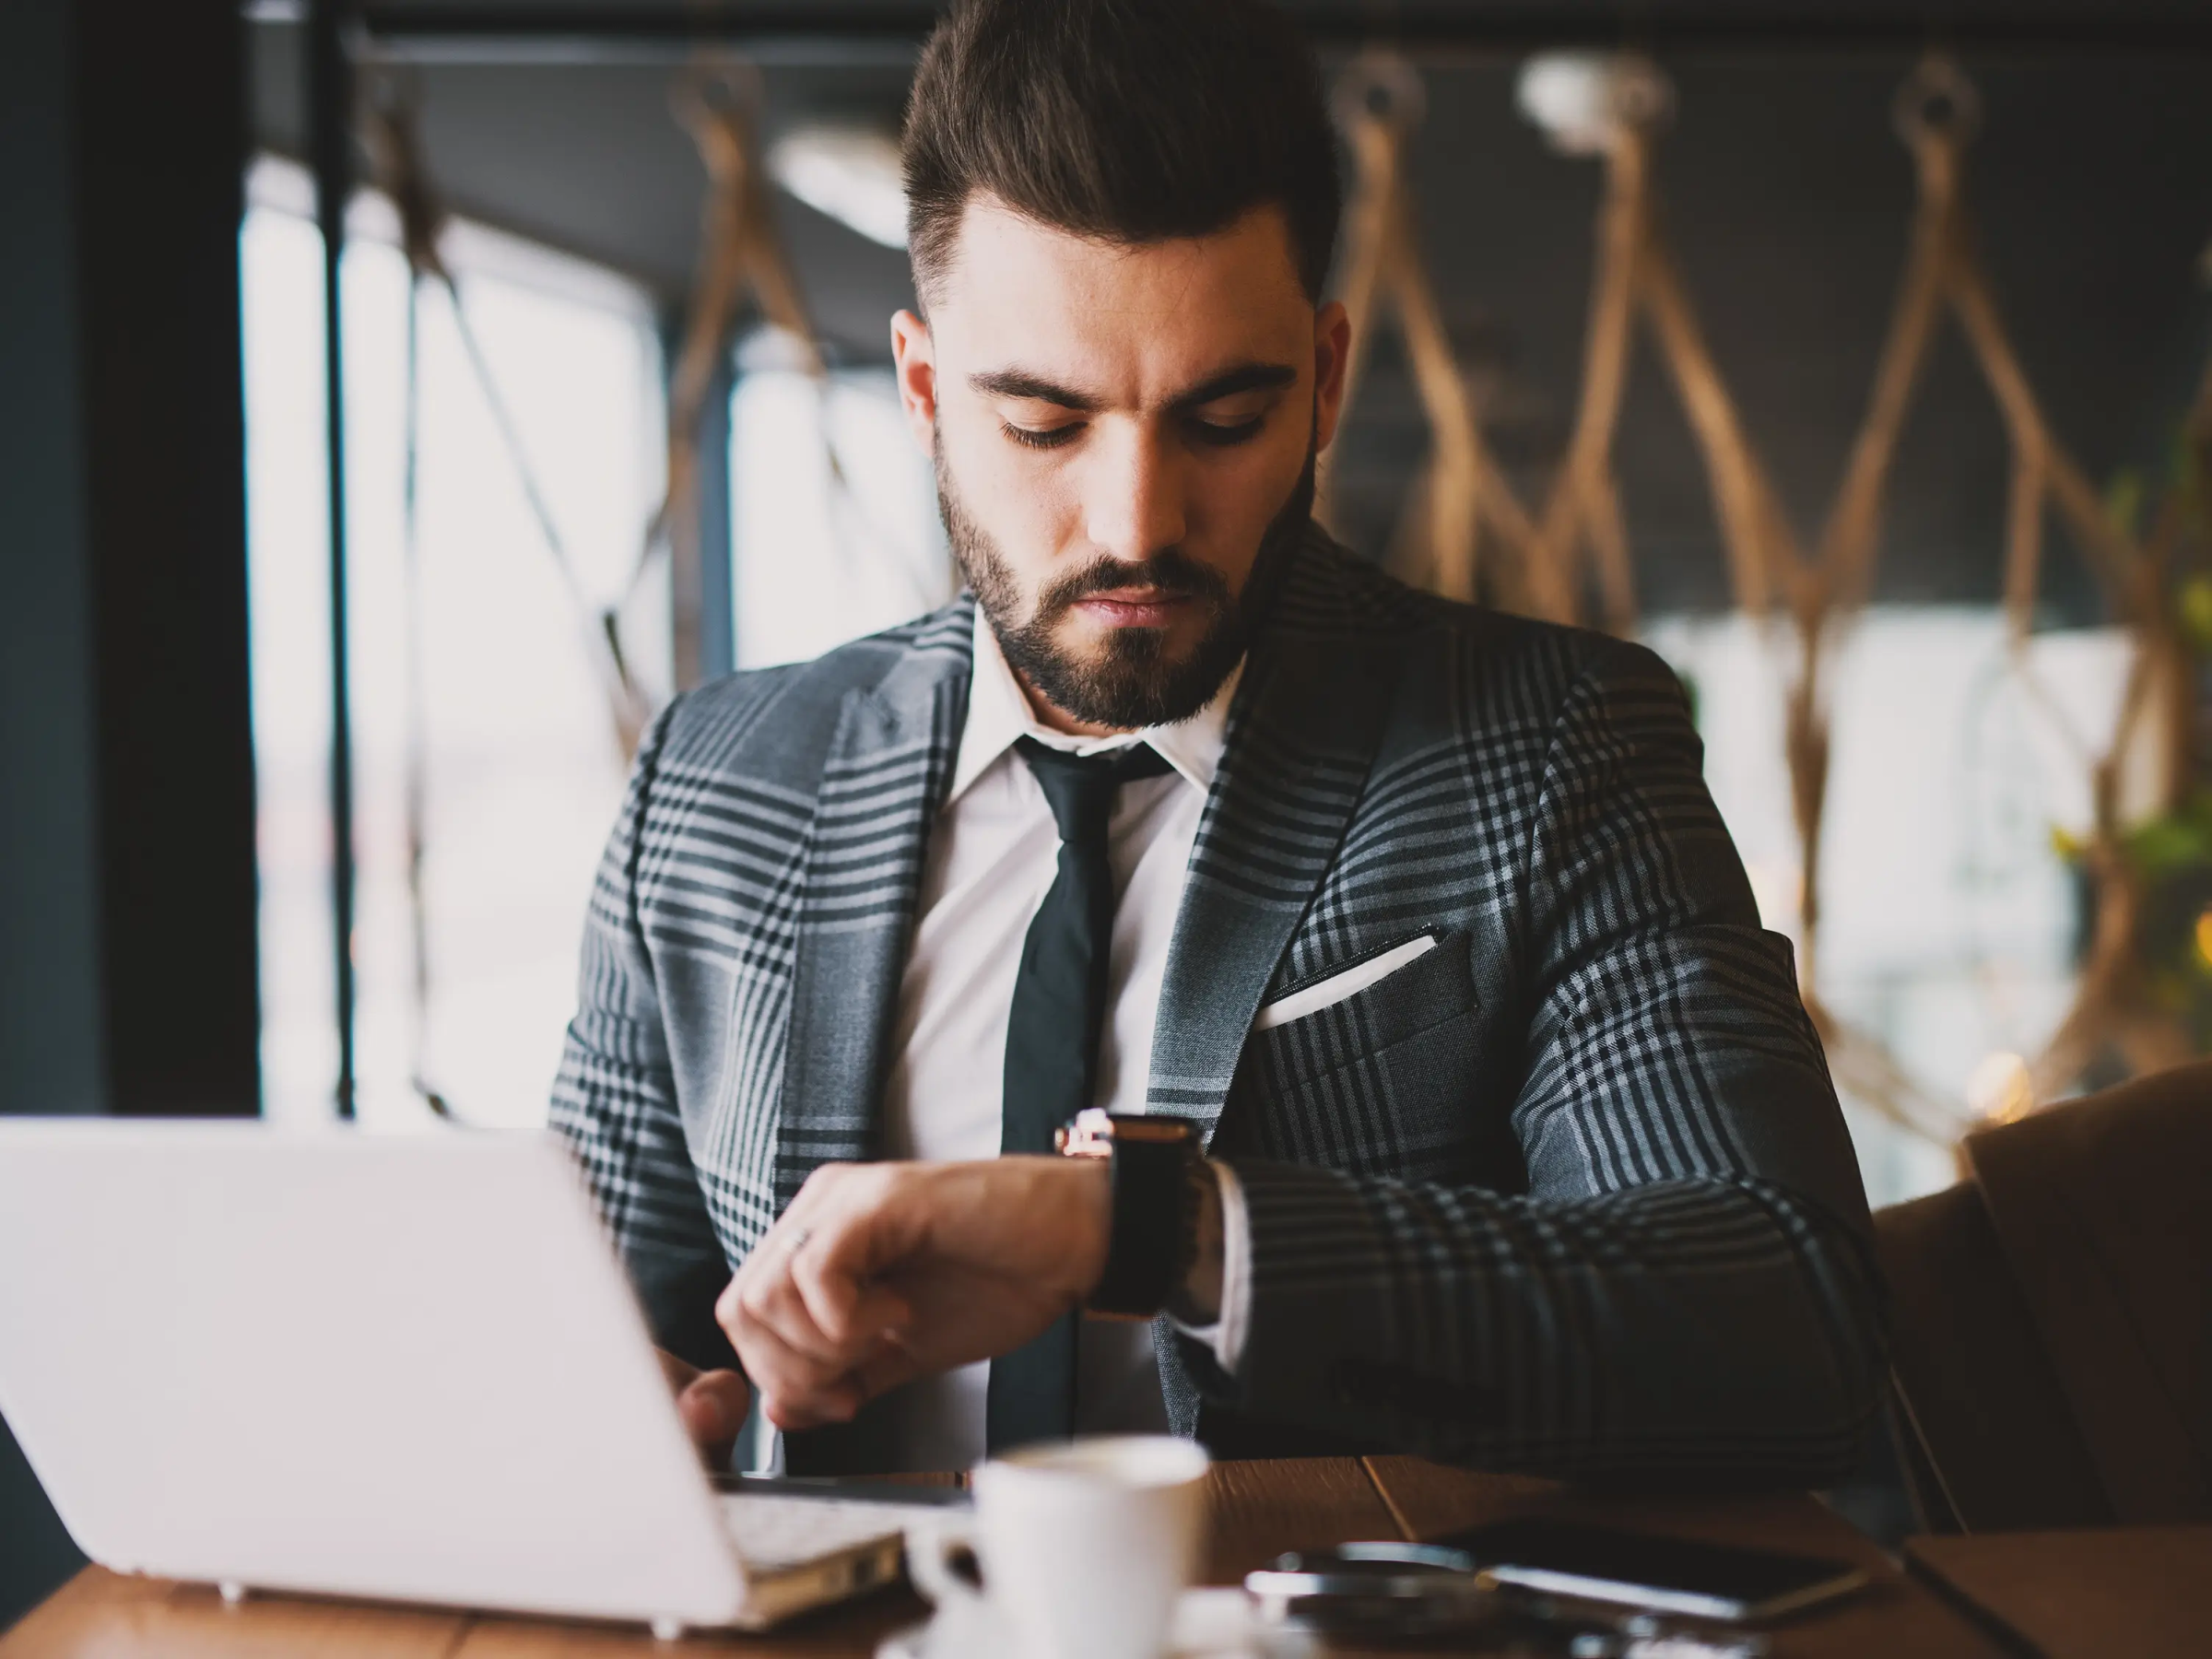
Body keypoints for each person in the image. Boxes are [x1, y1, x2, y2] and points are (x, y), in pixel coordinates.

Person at [552, 0, 1882, 1482]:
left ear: (1320, 380)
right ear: (926, 393)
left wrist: (1149, 1231)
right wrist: (631, 1402)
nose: (1135, 523)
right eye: (1046, 427)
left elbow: (1782, 1318)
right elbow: (593, 1317)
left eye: (1223, 418)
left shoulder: (1554, 751)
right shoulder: (714, 781)